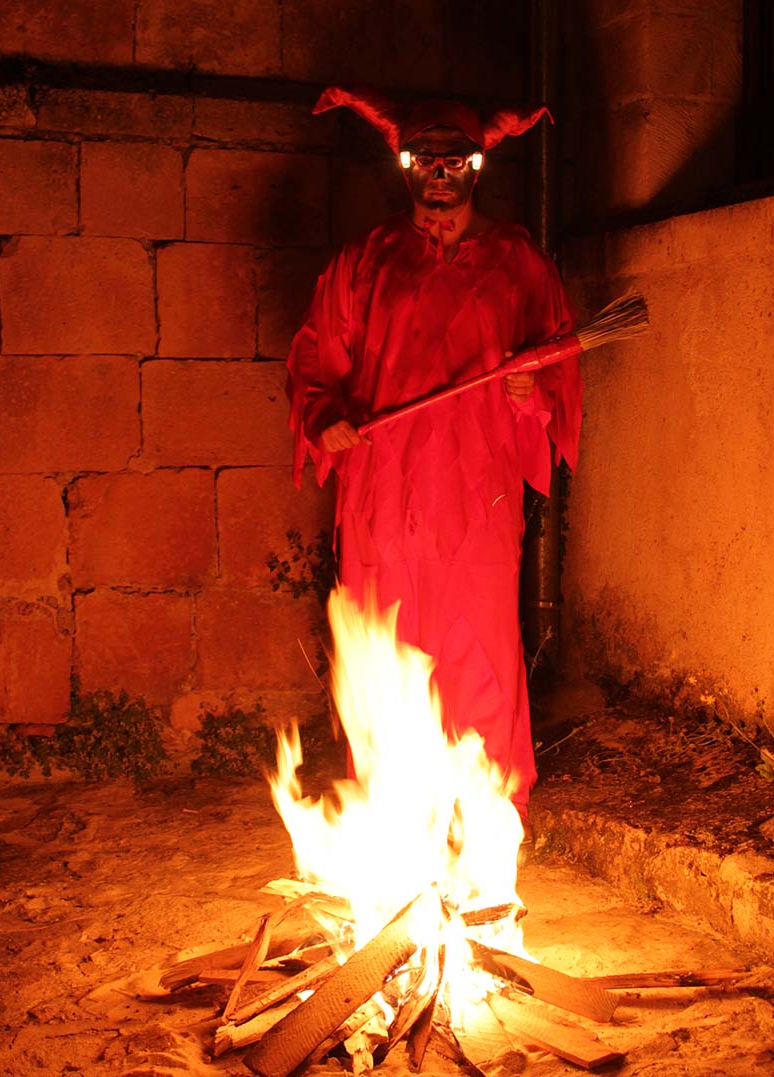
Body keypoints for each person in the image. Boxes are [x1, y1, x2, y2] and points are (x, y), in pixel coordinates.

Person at [286, 86, 582, 834]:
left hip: (477, 496)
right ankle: (392, 818)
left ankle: (486, 821)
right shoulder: (365, 262)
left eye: (457, 161)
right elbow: (317, 359)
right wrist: (325, 419)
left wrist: (531, 391)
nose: (441, 175)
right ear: (405, 166)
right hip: (382, 496)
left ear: (479, 166)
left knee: (479, 646)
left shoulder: (518, 264)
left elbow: (558, 368)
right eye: (426, 160)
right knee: (386, 641)